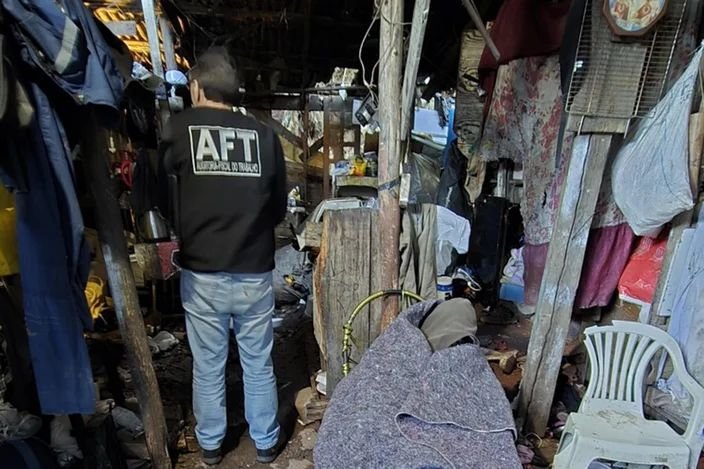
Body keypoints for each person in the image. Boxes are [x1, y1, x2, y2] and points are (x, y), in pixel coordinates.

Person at [158, 46, 287, 466]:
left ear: (196, 86)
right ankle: (265, 443)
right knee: (258, 363)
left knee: (208, 365)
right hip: (254, 271)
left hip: (203, 274)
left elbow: (162, 195)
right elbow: (278, 209)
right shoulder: (264, 136)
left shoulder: (179, 129)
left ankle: (212, 446)